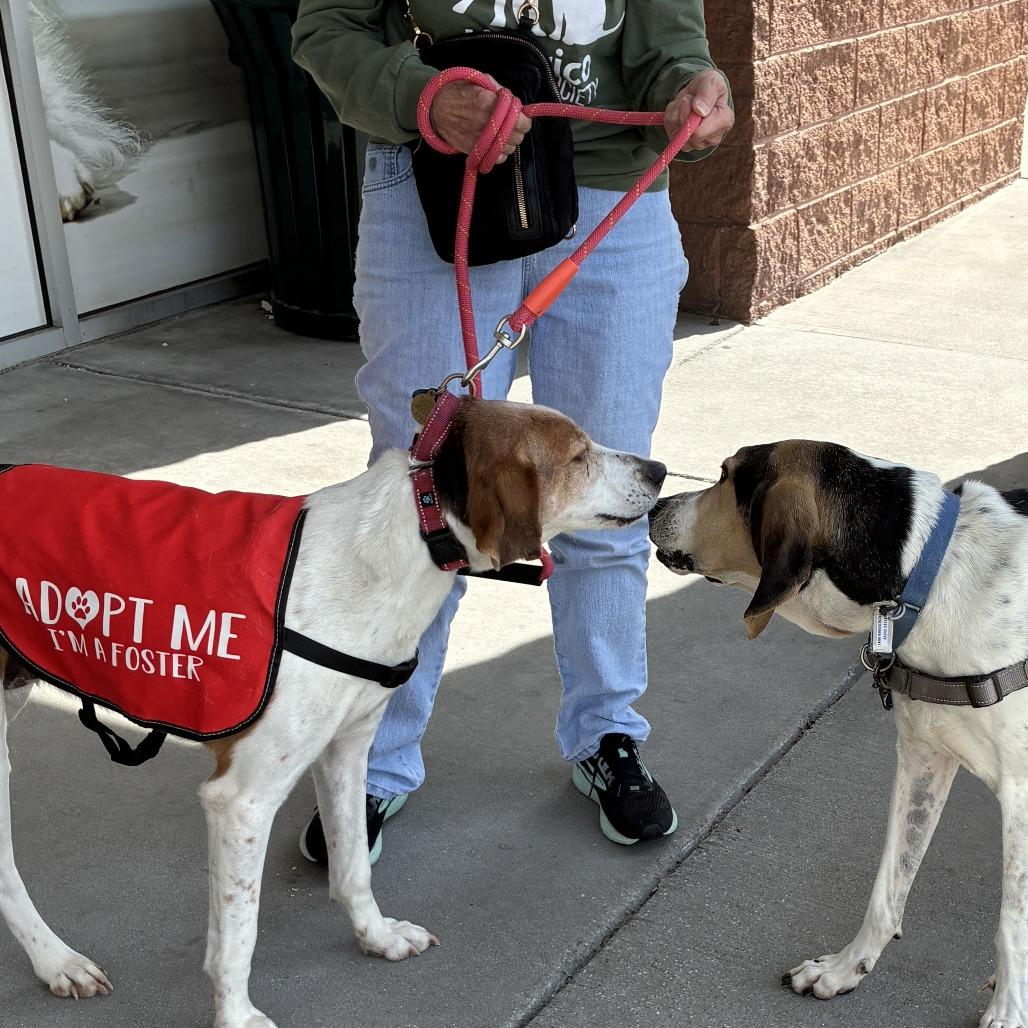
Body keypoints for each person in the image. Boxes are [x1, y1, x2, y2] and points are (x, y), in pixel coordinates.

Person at [291, 0, 733, 863]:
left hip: (617, 190)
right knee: (416, 504)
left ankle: (608, 736)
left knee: (607, 497)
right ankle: (372, 763)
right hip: (434, 179)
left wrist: (692, 92)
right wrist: (421, 94)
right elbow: (328, 28)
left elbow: (669, 43)